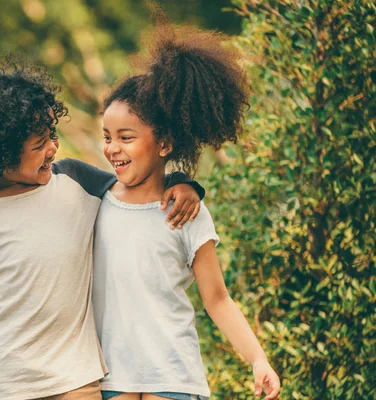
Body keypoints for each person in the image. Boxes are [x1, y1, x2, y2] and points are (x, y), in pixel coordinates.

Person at [0, 57, 205, 400]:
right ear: (1, 155)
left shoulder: (75, 180)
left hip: (76, 380)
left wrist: (184, 183)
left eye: (52, 135)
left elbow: (140, 186)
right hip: (3, 384)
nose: (53, 148)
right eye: (39, 145)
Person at [92, 26, 281, 400]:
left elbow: (217, 299)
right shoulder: (94, 200)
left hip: (174, 377)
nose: (113, 148)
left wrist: (258, 359)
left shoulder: (187, 212)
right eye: (107, 136)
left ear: (164, 143)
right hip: (109, 377)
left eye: (126, 137)